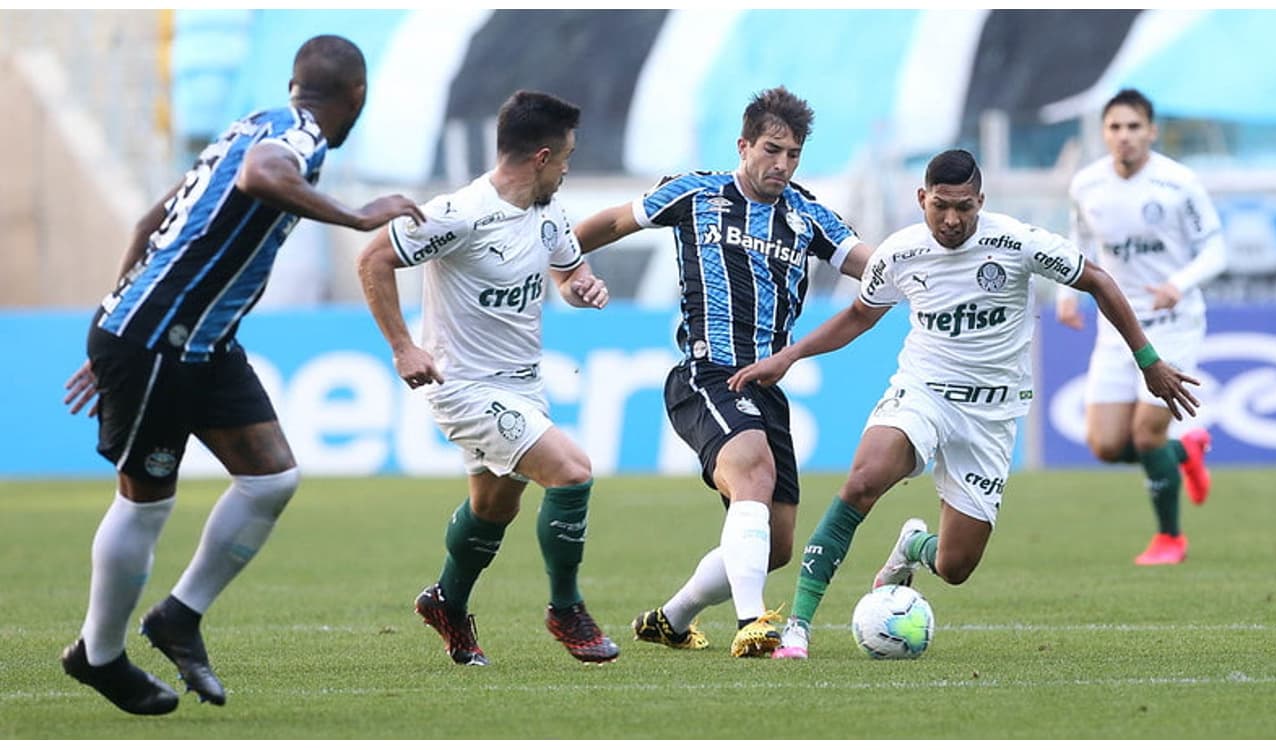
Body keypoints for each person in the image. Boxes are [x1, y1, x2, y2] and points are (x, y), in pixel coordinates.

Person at [59, 35, 425, 714]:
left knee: (271, 477)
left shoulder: (249, 124)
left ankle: (178, 616)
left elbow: (149, 221)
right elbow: (262, 176)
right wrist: (357, 215)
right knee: (148, 500)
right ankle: (99, 653)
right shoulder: (297, 136)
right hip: (161, 341)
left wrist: (119, 314)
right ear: (358, 97)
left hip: (193, 339)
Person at [729, 149, 1201, 659]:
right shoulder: (899, 253)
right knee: (864, 479)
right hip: (924, 391)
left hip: (990, 415)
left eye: (964, 208)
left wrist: (1148, 361)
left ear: (981, 202)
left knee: (955, 566)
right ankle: (798, 625)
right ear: (921, 199)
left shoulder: (1018, 242)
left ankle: (913, 547)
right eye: (940, 206)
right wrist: (792, 356)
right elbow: (860, 316)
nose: (952, 220)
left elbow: (1099, 282)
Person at [574, 86, 873, 658]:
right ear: (744, 144)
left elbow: (871, 265)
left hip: (765, 387)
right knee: (753, 473)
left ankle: (673, 617)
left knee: (774, 546)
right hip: (706, 374)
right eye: (771, 149)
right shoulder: (696, 193)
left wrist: (928, 267)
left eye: (793, 155)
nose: (781, 165)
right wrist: (558, 262)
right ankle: (752, 622)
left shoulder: (807, 215)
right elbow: (613, 223)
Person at [355, 90, 619, 667]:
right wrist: (404, 347)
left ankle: (446, 601)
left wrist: (582, 289)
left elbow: (569, 272)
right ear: (542, 157)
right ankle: (566, 609)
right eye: (568, 156)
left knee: (493, 509)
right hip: (465, 387)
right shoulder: (460, 214)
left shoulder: (547, 211)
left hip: (523, 384)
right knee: (572, 474)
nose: (570, 168)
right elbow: (373, 259)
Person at [1057, 88, 1226, 565]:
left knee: (1147, 433)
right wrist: (1068, 295)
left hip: (1173, 323)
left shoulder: (1179, 184)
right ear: (1103, 133)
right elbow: (1080, 240)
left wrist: (1179, 282)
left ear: (1151, 131)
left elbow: (1216, 249)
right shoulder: (1086, 185)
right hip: (1117, 327)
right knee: (1107, 444)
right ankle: (1184, 455)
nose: (1124, 137)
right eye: (1115, 127)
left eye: (1134, 127)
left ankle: (1170, 538)